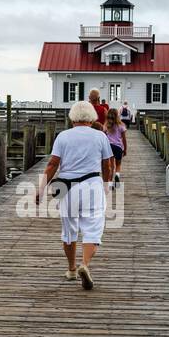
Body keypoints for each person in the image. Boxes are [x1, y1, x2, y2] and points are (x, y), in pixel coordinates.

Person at [35, 100, 115, 289]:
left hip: (68, 188)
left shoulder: (63, 136)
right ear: (91, 118)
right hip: (92, 185)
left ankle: (71, 269)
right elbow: (107, 165)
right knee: (92, 229)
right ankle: (84, 265)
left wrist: (40, 189)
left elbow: (53, 164)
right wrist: (106, 185)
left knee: (69, 230)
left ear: (72, 117)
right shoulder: (100, 136)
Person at [104, 107, 127, 189]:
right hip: (118, 147)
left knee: (110, 166)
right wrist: (125, 149)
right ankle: (117, 175)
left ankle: (110, 183)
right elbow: (124, 139)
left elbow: (104, 137)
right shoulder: (121, 125)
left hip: (108, 147)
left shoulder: (106, 125)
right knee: (118, 164)